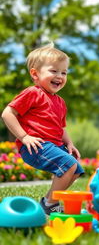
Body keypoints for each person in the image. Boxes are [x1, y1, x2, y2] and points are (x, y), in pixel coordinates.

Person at [1, 43, 85, 215]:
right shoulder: (33, 93)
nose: (59, 76)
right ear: (35, 73)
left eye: (64, 72)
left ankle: (48, 202)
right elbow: (7, 113)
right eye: (54, 71)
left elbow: (60, 127)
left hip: (53, 146)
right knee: (68, 165)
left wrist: (69, 143)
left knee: (76, 169)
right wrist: (24, 137)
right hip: (35, 146)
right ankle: (49, 204)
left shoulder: (60, 102)